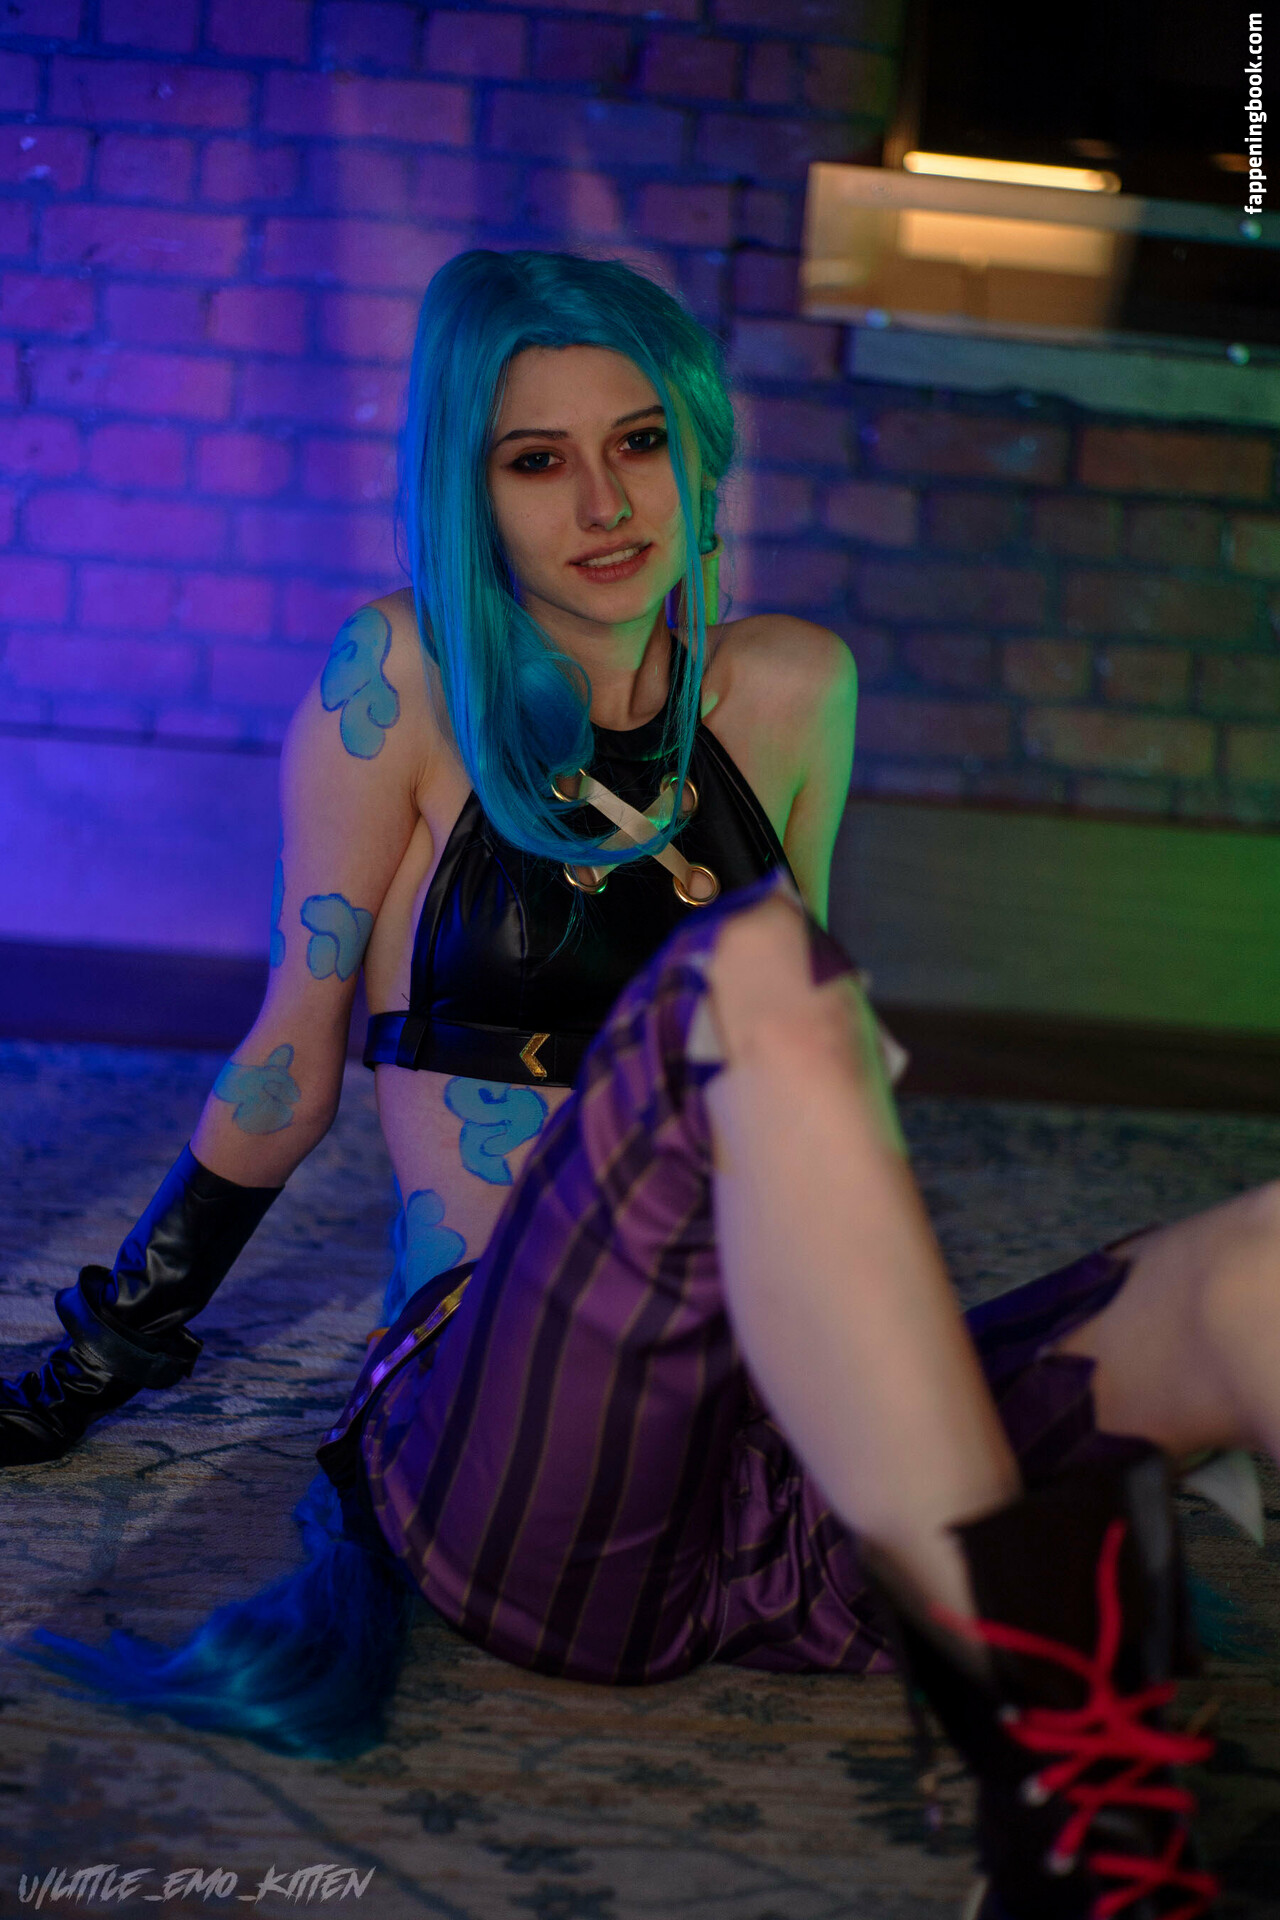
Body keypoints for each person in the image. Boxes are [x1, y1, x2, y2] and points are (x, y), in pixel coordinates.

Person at [4, 249, 1265, 1920]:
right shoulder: (401, 683)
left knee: (1258, 1270)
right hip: (516, 1451)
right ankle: (1066, 1772)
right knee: (760, 982)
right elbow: (288, 1059)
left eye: (641, 442)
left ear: (699, 448)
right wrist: (93, 1361)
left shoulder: (793, 690)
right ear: (468, 491)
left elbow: (821, 1096)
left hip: (780, 1462)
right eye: (538, 460)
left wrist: (878, 1362)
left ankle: (984, 1617)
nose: (605, 504)